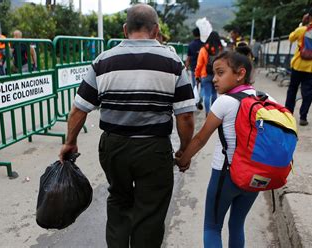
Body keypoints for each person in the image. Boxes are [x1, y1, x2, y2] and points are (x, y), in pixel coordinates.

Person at [59, 4, 195, 248]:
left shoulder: (103, 61)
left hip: (114, 146)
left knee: (120, 201)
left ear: (125, 29)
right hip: (154, 149)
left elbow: (79, 109)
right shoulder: (173, 63)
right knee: (151, 210)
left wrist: (70, 142)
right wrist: (185, 150)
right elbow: (185, 116)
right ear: (156, 31)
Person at [177, 51, 275, 247]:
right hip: (255, 176)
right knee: (237, 224)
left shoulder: (224, 102)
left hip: (226, 174)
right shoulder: (267, 99)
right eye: (214, 73)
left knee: (212, 227)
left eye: (220, 73)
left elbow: (200, 139)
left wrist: (183, 159)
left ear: (240, 74)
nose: (214, 79)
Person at [195, 31, 223, 115]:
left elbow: (199, 64)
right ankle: (214, 112)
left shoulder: (204, 49)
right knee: (214, 93)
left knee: (207, 95)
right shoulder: (220, 49)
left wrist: (197, 75)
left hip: (205, 74)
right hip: (217, 75)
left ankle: (207, 112)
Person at [186, 27, 204, 110]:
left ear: (193, 34)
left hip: (194, 68)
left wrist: (186, 67)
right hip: (203, 69)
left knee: (195, 85)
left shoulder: (191, 44)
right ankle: (200, 99)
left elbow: (188, 57)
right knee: (203, 86)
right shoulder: (204, 44)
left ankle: (195, 101)